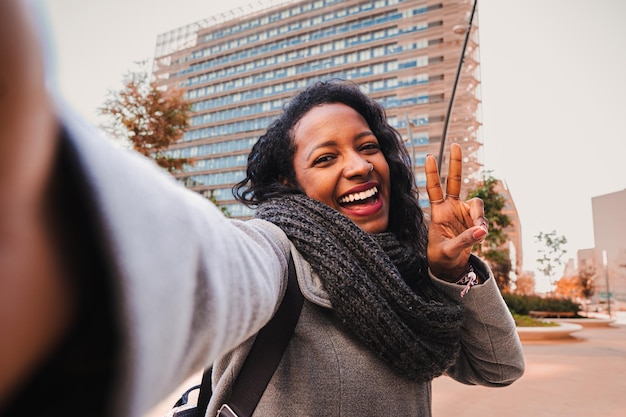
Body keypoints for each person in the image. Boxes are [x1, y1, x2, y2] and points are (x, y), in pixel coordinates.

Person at [0, 1, 524, 416]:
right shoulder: (274, 249)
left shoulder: (411, 276)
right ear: (288, 181)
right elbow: (206, 265)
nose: (361, 166)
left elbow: (498, 368)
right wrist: (48, 192)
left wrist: (450, 272)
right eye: (326, 157)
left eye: (368, 147)